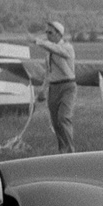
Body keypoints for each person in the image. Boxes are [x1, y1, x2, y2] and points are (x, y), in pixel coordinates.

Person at [32, 19, 77, 153]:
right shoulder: (48, 53)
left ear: (59, 34)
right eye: (46, 32)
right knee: (56, 122)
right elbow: (48, 72)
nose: (48, 35)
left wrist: (38, 42)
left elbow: (58, 50)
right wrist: (43, 90)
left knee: (64, 117)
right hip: (54, 88)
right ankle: (62, 151)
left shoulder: (67, 47)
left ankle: (70, 151)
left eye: (50, 32)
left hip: (67, 86)